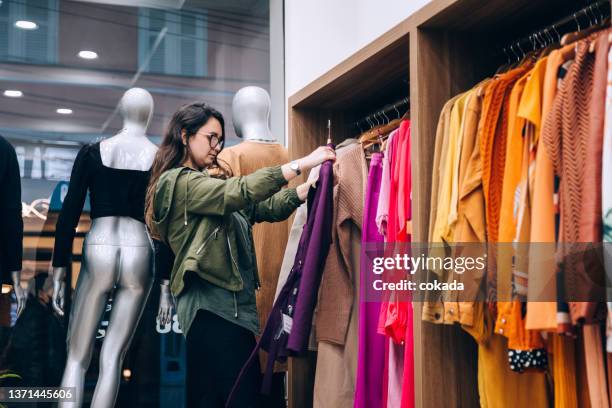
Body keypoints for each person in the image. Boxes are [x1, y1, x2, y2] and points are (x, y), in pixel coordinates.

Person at [144, 102, 335, 407]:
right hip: (211, 308)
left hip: (235, 309)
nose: (216, 147)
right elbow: (239, 191)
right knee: (234, 397)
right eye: (210, 138)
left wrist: (306, 190)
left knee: (226, 397)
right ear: (184, 135)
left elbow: (260, 209)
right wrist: (303, 163)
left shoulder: (206, 185)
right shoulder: (176, 182)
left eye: (220, 139)